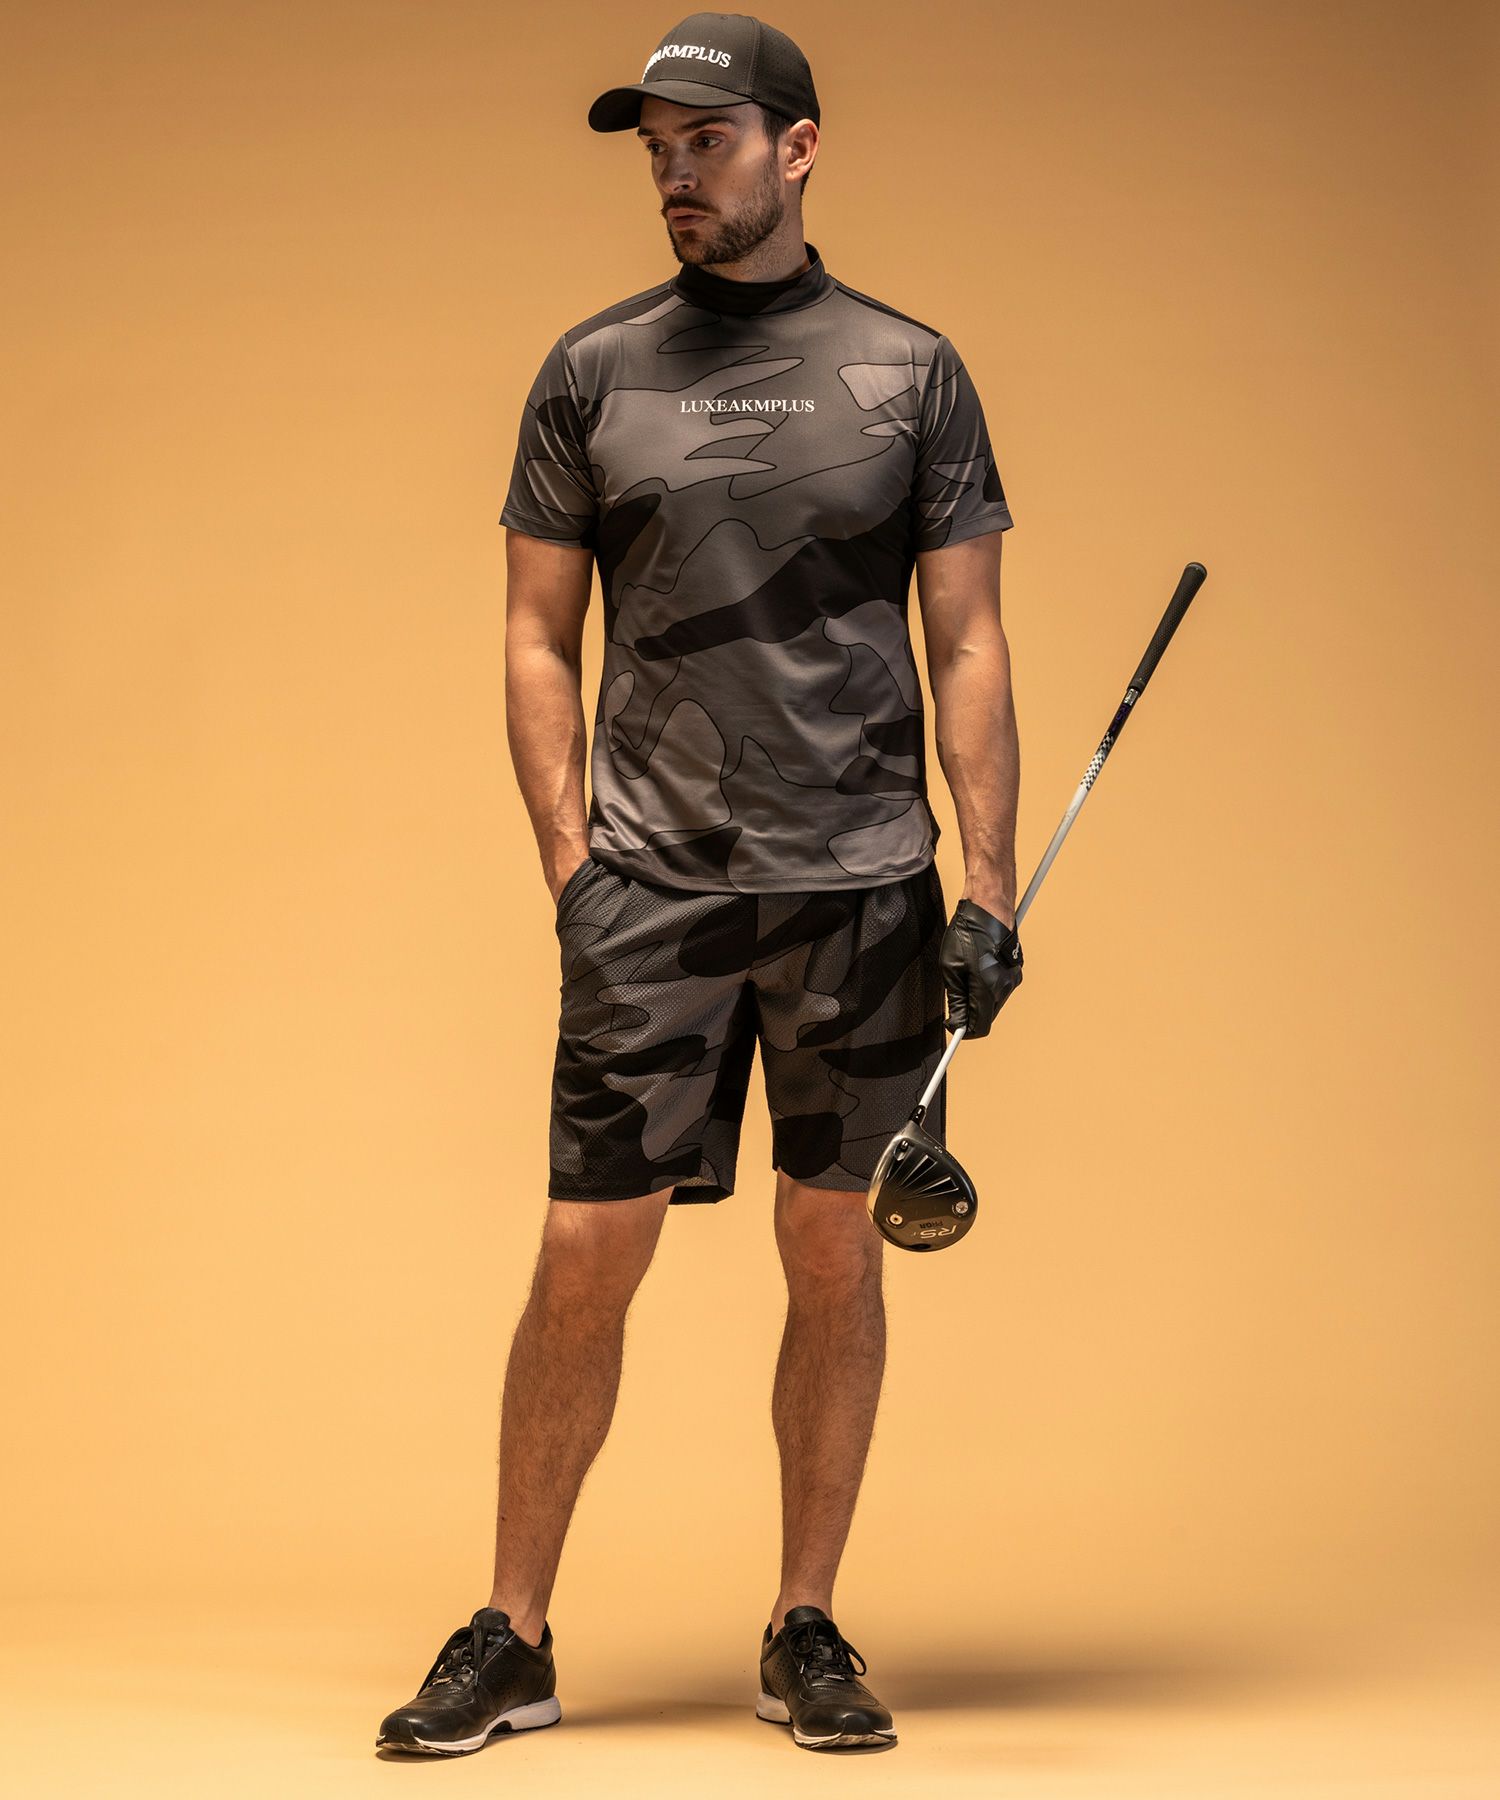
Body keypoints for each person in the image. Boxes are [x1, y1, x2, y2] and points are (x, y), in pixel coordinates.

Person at [377, 11, 1023, 1759]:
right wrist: (571, 867)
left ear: (796, 147)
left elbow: (966, 637)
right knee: (586, 1251)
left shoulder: (910, 371)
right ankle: (512, 1635)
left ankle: (804, 1624)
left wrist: (987, 884)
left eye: (707, 141)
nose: (675, 172)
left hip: (862, 887)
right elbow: (535, 633)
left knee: (835, 1254)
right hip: (654, 890)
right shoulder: (593, 370)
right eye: (656, 149)